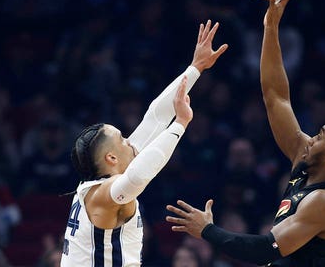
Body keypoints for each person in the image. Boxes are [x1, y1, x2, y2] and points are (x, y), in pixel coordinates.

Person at [166, 0, 325, 266]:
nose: (312, 137)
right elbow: (276, 97)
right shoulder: (307, 158)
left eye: (321, 136)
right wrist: (271, 26)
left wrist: (207, 230)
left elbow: (267, 249)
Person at [60, 20, 228, 267]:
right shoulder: (104, 194)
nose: (130, 141)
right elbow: (138, 178)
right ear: (111, 159)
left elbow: (155, 118)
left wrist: (196, 68)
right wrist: (181, 124)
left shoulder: (98, 184)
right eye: (123, 140)